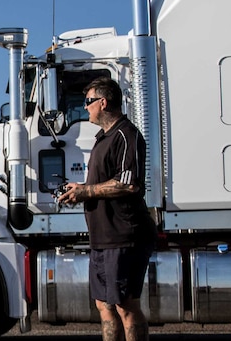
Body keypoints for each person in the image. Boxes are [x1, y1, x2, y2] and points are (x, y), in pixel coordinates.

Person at [58, 76, 157, 341]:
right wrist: (77, 189)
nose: (85, 107)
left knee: (126, 306)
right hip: (102, 237)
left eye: (89, 101)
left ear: (103, 102)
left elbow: (129, 183)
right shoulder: (103, 137)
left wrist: (86, 191)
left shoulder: (127, 135)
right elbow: (102, 183)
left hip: (124, 235)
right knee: (103, 305)